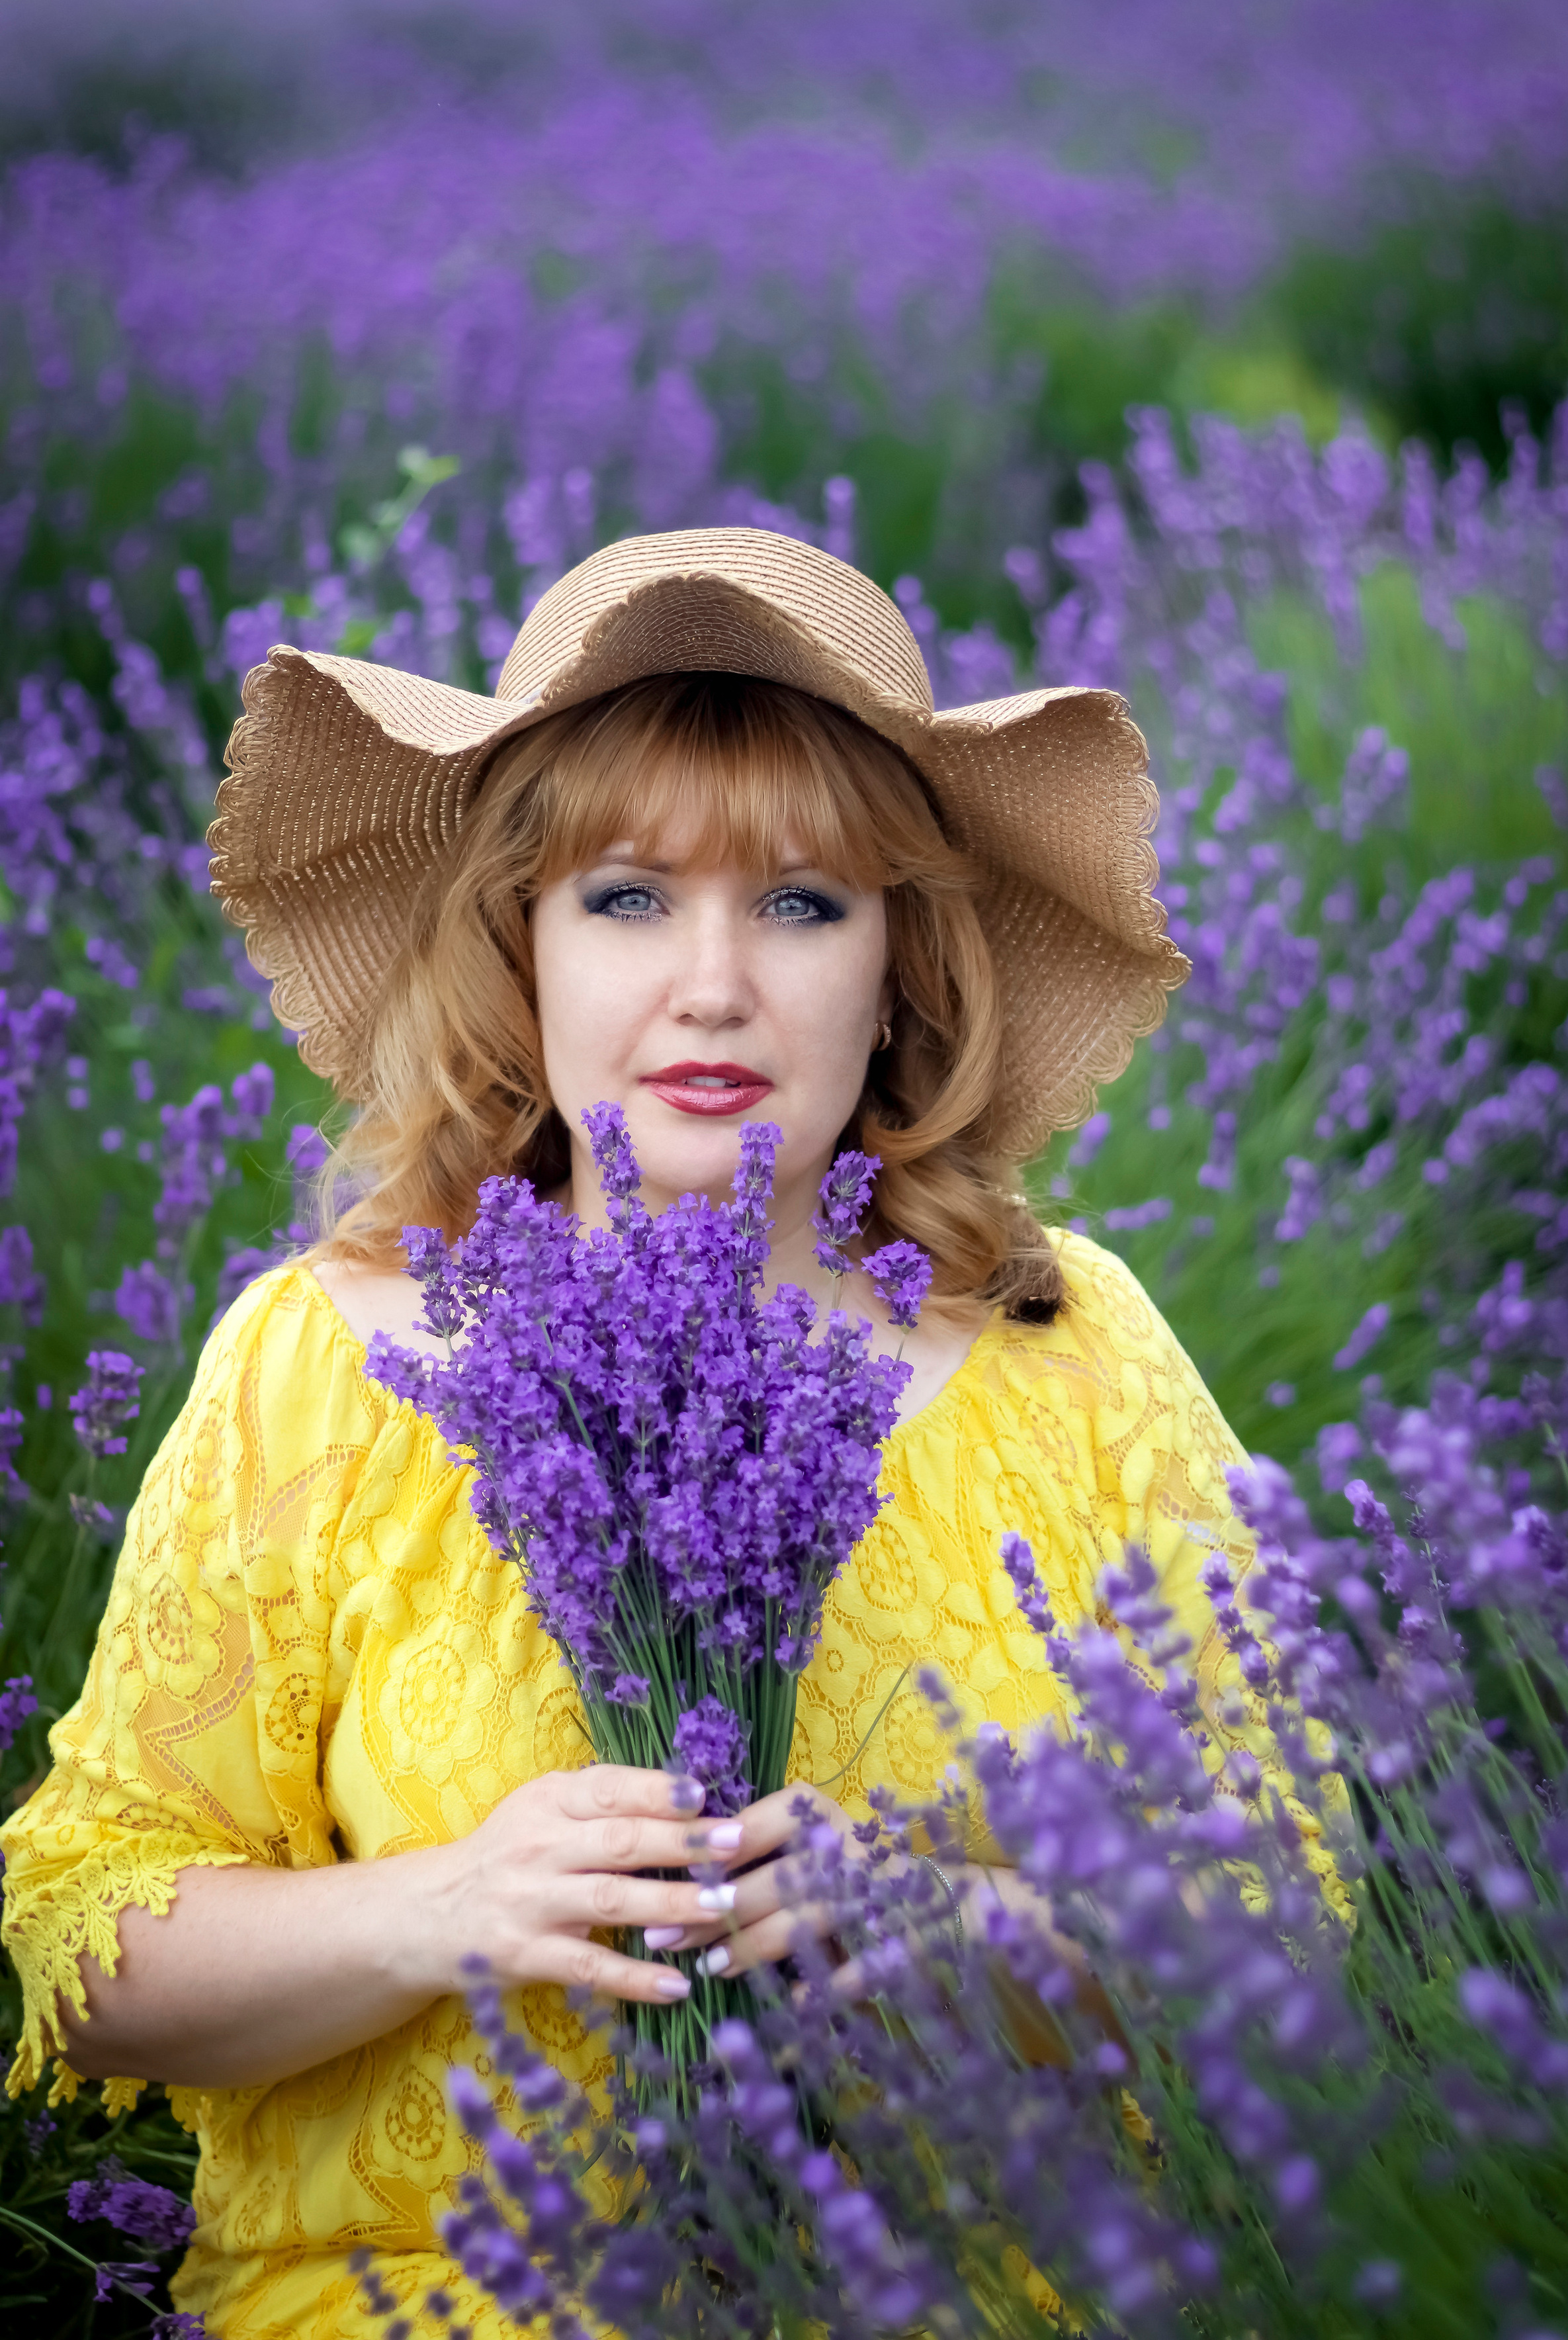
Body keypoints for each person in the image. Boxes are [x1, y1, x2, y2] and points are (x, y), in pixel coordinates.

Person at [1, 527, 1344, 2335]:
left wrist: (951, 1931)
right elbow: (84, 1934)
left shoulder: (1066, 1345)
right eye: (626, 896)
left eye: (802, 904)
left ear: (900, 962)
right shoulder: (319, 1363)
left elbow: (1290, 1917)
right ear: (519, 944)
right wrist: (438, 1910)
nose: (713, 983)